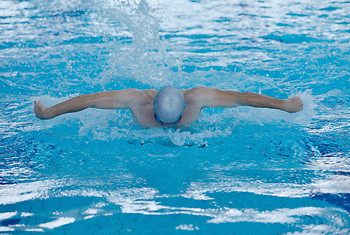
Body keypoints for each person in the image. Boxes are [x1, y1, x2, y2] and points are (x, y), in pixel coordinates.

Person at [34, 86, 303, 127]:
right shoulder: (138, 100)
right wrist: (50, 112)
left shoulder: (197, 98)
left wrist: (285, 105)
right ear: (152, 110)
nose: (167, 128)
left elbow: (242, 98)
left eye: (172, 122)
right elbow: (90, 100)